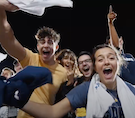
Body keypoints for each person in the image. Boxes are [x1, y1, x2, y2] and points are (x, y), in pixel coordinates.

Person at [5, 43, 135, 118]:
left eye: (111, 58)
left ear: (119, 62)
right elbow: (53, 112)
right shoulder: (86, 89)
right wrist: (19, 101)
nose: (106, 61)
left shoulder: (132, 90)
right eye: (100, 59)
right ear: (96, 66)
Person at [0, 0, 67, 118]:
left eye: (50, 42)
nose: (46, 45)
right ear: (37, 46)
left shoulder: (63, 73)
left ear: (56, 47)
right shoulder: (31, 58)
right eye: (42, 42)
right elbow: (7, 39)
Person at [107, 5, 135, 84]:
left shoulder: (129, 56)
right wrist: (110, 24)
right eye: (110, 43)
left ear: (121, 40)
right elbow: (116, 46)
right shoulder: (112, 60)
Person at [55, 49, 82, 118]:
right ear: (60, 61)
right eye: (66, 58)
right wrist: (69, 83)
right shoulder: (54, 77)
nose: (69, 61)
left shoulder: (79, 79)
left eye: (72, 59)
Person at [75, 51, 94, 118]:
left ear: (93, 63)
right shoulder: (77, 83)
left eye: (87, 61)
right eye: (80, 63)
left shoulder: (101, 80)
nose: (84, 64)